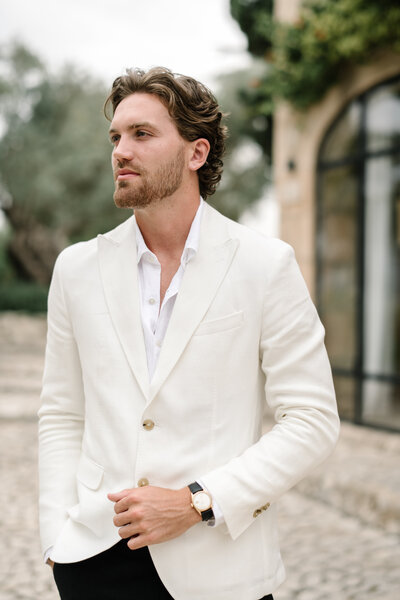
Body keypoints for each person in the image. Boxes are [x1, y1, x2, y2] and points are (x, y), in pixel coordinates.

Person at [38, 67, 340, 600]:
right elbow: (63, 413)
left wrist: (197, 501)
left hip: (220, 568)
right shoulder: (76, 269)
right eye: (116, 137)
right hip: (94, 563)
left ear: (196, 153)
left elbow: (312, 421)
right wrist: (56, 538)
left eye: (142, 134)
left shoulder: (265, 265)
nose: (120, 151)